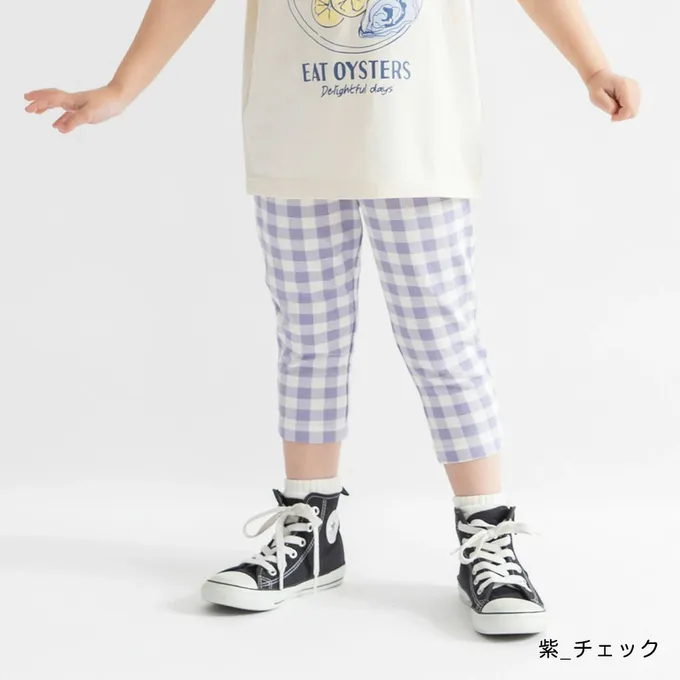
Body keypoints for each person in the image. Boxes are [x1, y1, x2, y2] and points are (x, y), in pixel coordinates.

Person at [25, 0, 640, 635]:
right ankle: (312, 531)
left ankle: (487, 533)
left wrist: (592, 67)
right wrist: (123, 87)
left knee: (442, 341)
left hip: (418, 140)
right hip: (294, 139)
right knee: (309, 341)